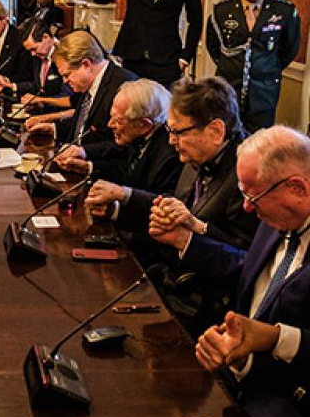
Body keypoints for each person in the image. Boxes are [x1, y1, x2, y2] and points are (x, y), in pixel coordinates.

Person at [156, 126, 310, 417]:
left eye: (254, 196)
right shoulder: (278, 214)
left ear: (297, 188)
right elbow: (246, 268)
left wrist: (275, 338)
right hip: (235, 374)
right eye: (243, 193)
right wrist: (183, 240)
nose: (247, 207)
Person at [88, 76, 259, 333]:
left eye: (178, 132)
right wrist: (117, 208)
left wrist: (191, 236)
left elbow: (249, 262)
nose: (170, 141)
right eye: (170, 131)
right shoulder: (195, 156)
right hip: (167, 281)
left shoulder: (246, 175)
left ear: (215, 131)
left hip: (204, 310)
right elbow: (171, 208)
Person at [206, 0, 300, 132]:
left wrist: (267, 66)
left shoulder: (284, 10)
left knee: (259, 146)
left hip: (264, 93)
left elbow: (290, 49)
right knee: (225, 140)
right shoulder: (222, 10)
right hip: (228, 91)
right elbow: (215, 48)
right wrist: (232, 65)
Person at [57, 79, 181, 197]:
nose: (109, 125)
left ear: (144, 125)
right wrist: (87, 167)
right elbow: (123, 168)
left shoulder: (168, 157)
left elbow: (154, 200)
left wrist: (118, 201)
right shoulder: (140, 135)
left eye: (118, 121)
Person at [24, 30, 137, 152]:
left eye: (67, 75)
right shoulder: (88, 84)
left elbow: (126, 145)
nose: (65, 81)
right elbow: (84, 127)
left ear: (86, 65)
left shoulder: (124, 87)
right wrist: (53, 129)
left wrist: (84, 153)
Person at [0, 19, 68, 109]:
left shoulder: (64, 56)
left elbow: (69, 98)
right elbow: (38, 86)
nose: (32, 54)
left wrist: (41, 100)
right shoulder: (38, 57)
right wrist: (11, 85)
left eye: (34, 49)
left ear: (46, 37)